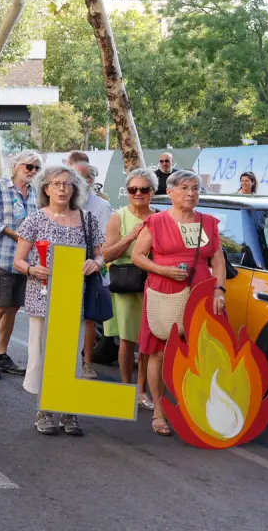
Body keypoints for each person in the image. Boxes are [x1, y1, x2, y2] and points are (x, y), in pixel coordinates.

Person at [131, 169, 225, 437]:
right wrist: (163, 270)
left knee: (201, 351)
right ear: (170, 192)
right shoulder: (156, 222)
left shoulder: (208, 222)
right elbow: (138, 256)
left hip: (201, 292)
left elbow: (217, 260)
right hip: (164, 291)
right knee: (159, 352)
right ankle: (159, 412)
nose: (191, 193)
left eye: (195, 188)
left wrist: (219, 291)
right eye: (184, 188)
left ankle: (196, 411)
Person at [13, 165, 104, 436]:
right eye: (56, 184)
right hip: (42, 296)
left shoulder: (87, 219)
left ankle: (68, 410)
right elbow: (18, 260)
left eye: (67, 184)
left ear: (75, 188)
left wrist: (96, 263)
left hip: (74, 297)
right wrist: (32, 269)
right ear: (46, 188)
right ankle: (44, 409)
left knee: (71, 354)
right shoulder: (35, 220)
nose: (62, 189)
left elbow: (100, 254)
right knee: (42, 354)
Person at [0, 150, 39, 380]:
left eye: (36, 168)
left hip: (24, 261)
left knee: (13, 308)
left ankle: (1, 355)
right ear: (16, 166)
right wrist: (16, 235)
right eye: (28, 166)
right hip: (1, 257)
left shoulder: (34, 192)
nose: (32, 171)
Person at [103, 167, 159, 411]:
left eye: (144, 189)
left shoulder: (159, 218)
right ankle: (128, 389)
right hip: (126, 283)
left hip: (152, 284)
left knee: (148, 341)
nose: (138, 193)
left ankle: (142, 388)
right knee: (126, 340)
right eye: (133, 189)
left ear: (153, 192)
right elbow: (107, 254)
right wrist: (131, 237)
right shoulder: (119, 217)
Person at [73, 163, 113, 379]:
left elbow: (104, 244)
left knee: (88, 318)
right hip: (65, 269)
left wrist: (96, 263)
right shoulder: (62, 203)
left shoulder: (101, 206)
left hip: (90, 270)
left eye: (78, 177)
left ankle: (87, 363)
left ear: (90, 181)